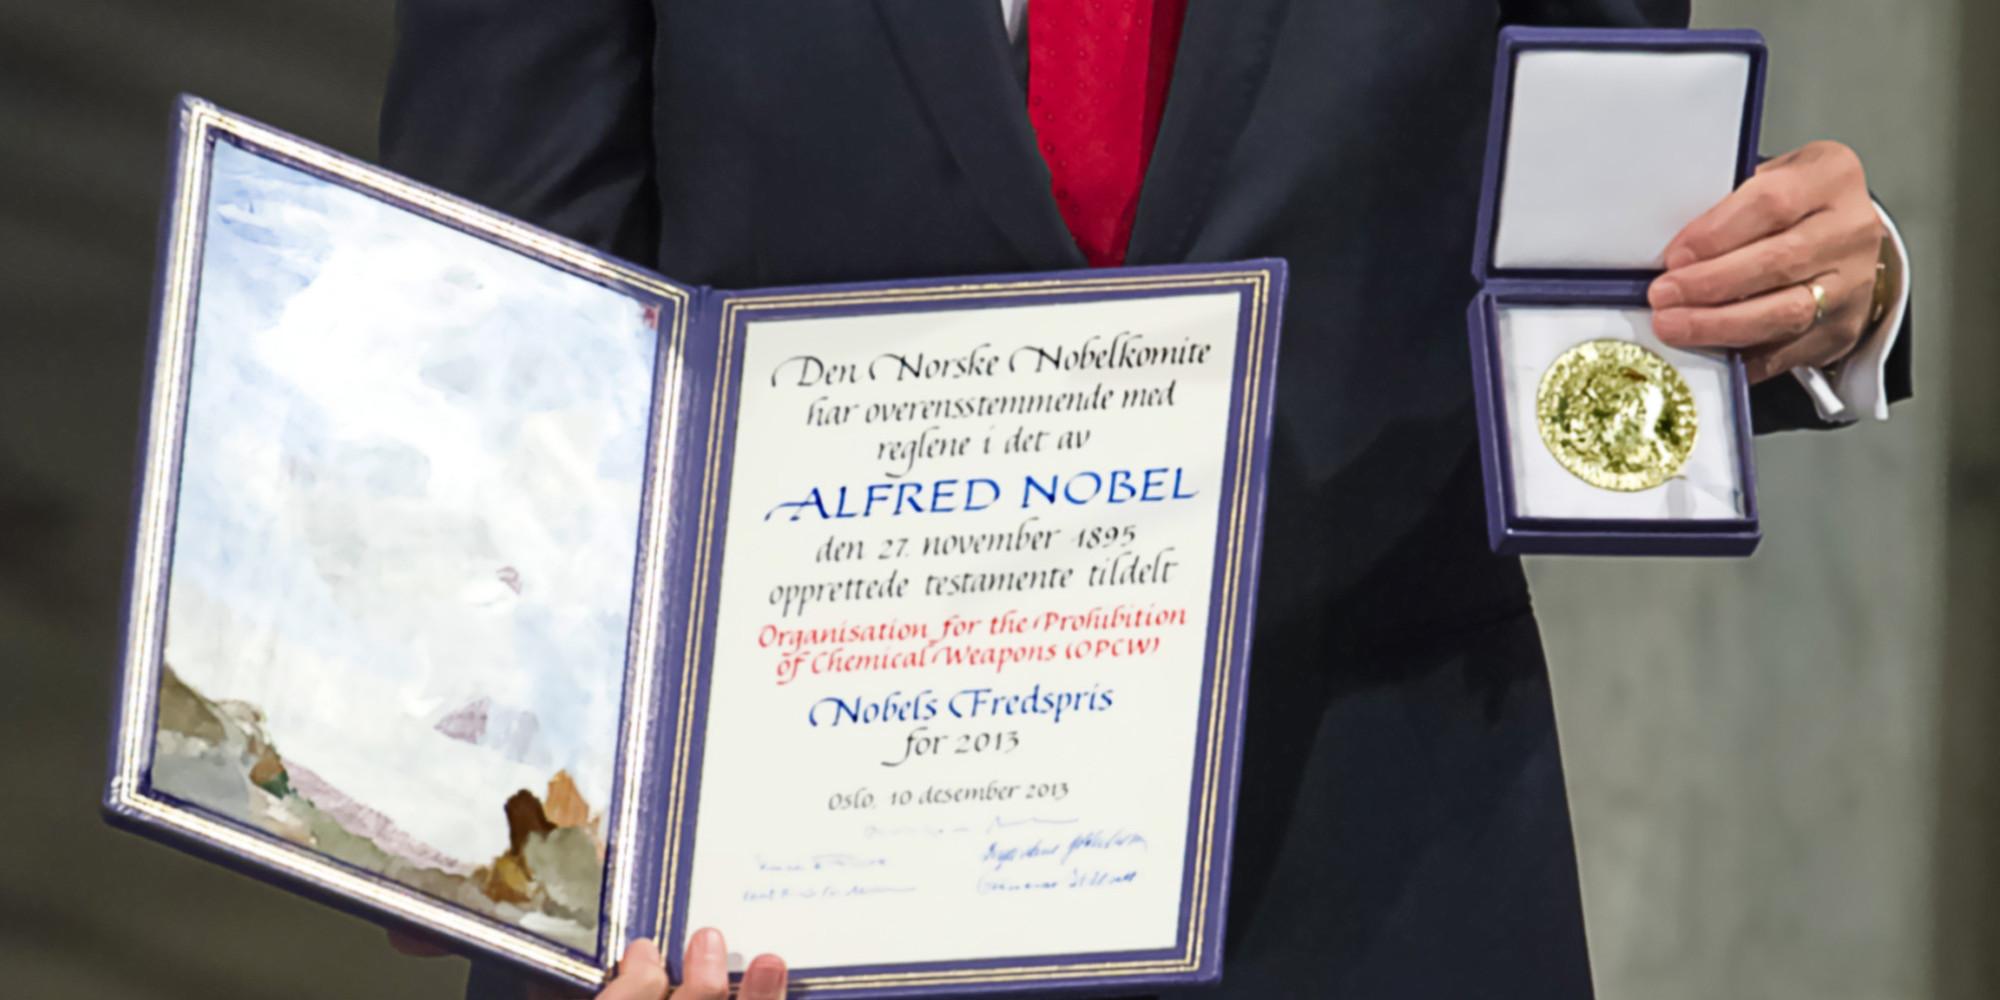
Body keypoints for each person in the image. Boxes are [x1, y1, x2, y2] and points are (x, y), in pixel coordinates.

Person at [379, 2, 1912, 997]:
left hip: (1361, 894)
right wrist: (509, 850)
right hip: (760, 932)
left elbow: (1586, 265)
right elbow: (498, 335)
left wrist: (1801, 291)